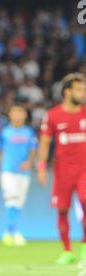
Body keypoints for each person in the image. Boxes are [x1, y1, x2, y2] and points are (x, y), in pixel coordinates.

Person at [38, 73, 86, 265]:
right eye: (79, 90)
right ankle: (67, 251)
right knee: (62, 210)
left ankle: (84, 248)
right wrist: (41, 166)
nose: (83, 93)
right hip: (63, 173)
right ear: (67, 91)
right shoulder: (53, 115)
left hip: (84, 171)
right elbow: (45, 142)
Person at [0, 105, 37, 246]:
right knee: (11, 200)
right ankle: (15, 232)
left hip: (24, 173)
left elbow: (33, 149)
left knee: (19, 202)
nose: (17, 115)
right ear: (10, 114)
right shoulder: (5, 132)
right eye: (15, 112)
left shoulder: (29, 132)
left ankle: (8, 232)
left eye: (20, 112)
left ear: (25, 115)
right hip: (8, 171)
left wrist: (29, 162)